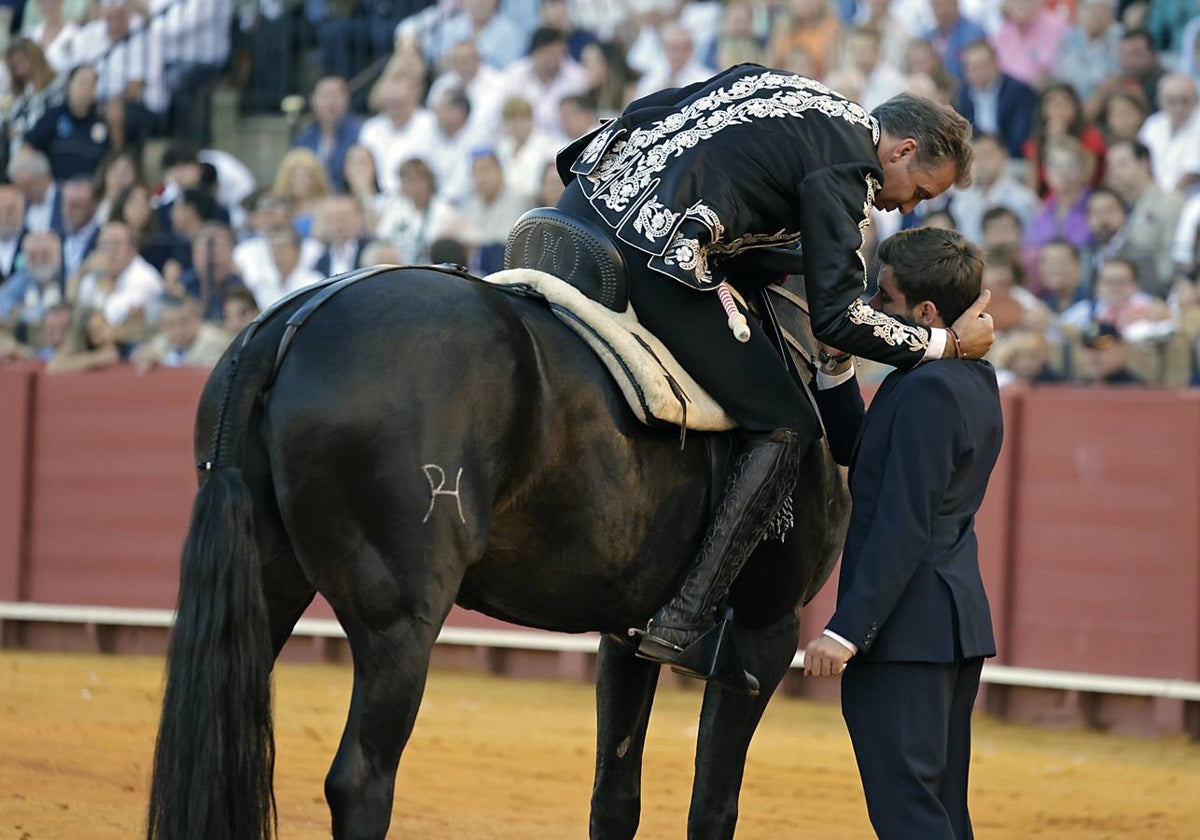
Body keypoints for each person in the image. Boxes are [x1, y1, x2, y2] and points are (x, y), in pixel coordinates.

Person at [553, 63, 994, 684]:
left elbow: (653, 108)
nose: (907, 206)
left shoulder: (791, 87)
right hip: (652, 251)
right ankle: (687, 615)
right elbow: (838, 320)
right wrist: (944, 342)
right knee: (786, 422)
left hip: (581, 204)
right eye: (919, 191)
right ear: (903, 149)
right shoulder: (852, 171)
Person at [802, 227, 1003, 840]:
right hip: (942, 627)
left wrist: (845, 630)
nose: (872, 314)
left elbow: (903, 522)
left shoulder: (928, 387)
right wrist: (835, 369)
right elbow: (865, 455)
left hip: (906, 634)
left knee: (909, 812)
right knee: (940, 808)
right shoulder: (965, 378)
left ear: (924, 314)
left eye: (883, 301)